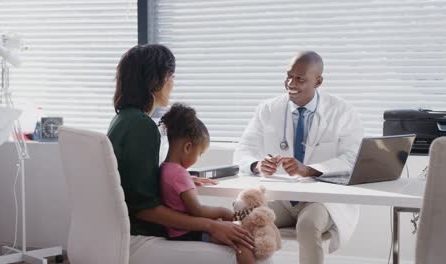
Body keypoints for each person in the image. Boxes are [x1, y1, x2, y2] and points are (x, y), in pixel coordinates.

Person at [107, 44, 269, 264]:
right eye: (171, 75)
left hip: (120, 233)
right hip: (140, 236)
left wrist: (168, 180)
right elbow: (144, 210)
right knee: (248, 251)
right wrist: (212, 225)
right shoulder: (141, 126)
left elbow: (131, 184)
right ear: (156, 80)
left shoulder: (123, 120)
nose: (173, 82)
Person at [233, 51, 364, 264]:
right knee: (249, 219)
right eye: (289, 76)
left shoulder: (342, 111)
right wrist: (257, 165)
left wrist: (309, 169)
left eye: (300, 79)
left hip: (321, 200)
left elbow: (353, 159)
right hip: (282, 196)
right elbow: (243, 150)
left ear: (318, 81)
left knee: (308, 225)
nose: (291, 83)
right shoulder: (268, 109)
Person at [159, 102, 256, 264]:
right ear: (188, 147)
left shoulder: (165, 169)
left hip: (175, 231)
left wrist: (187, 180)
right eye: (200, 153)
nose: (198, 159)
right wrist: (224, 212)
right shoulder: (180, 174)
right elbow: (197, 211)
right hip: (186, 233)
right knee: (242, 243)